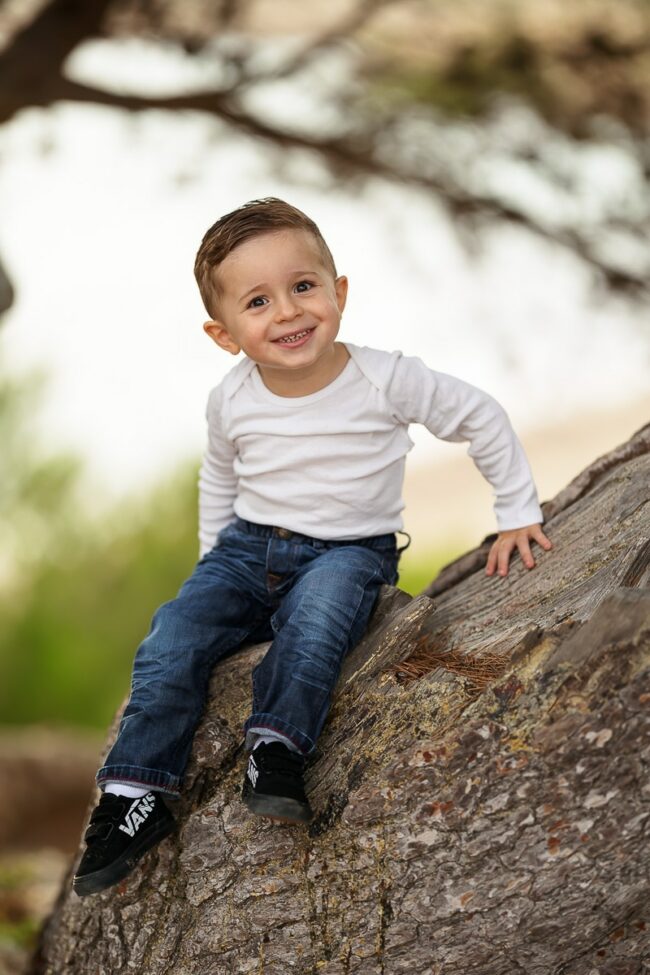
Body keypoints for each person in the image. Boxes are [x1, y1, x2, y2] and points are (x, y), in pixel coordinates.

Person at [72, 197, 552, 897]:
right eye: (259, 300)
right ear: (224, 332)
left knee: (319, 619)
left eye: (304, 286)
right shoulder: (231, 397)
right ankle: (132, 793)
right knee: (173, 635)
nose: (289, 311)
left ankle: (276, 748)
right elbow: (221, 475)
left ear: (339, 293)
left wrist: (517, 510)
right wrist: (214, 558)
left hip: (348, 551)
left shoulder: (384, 377)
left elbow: (478, 414)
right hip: (246, 550)